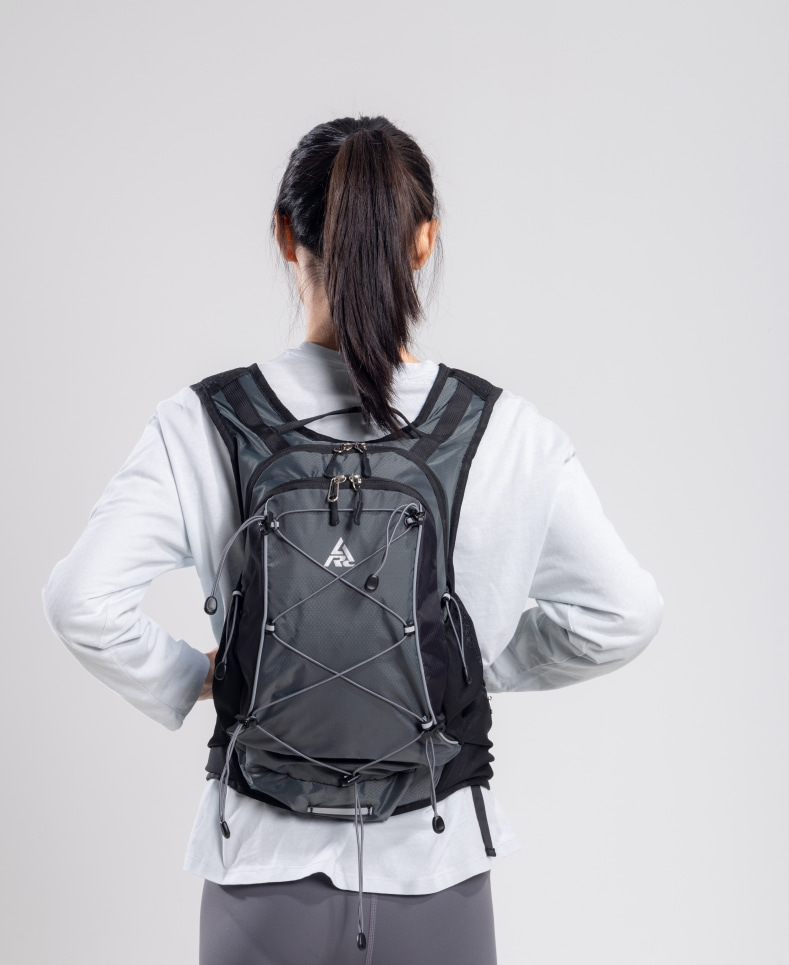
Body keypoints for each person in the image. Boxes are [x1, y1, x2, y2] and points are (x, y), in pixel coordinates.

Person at [42, 115, 664, 965]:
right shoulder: (506, 432)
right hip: (438, 867)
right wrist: (470, 664)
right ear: (425, 240)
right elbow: (626, 613)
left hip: (257, 868)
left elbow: (78, 601)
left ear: (284, 235)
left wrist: (199, 676)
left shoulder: (201, 422)